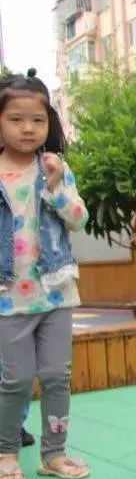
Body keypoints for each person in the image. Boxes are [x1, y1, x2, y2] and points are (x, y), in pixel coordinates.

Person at [0, 68, 90, 479]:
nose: (28, 128)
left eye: (37, 120)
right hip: (8, 299)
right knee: (16, 380)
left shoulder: (55, 168)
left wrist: (55, 188)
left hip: (55, 294)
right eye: (16, 119)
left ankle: (54, 454)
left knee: (57, 377)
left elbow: (79, 219)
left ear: (49, 123)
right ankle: (6, 452)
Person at [0, 71, 36, 450]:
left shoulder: (45, 170)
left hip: (20, 286)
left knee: (16, 366)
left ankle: (14, 425)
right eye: (15, 118)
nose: (25, 128)